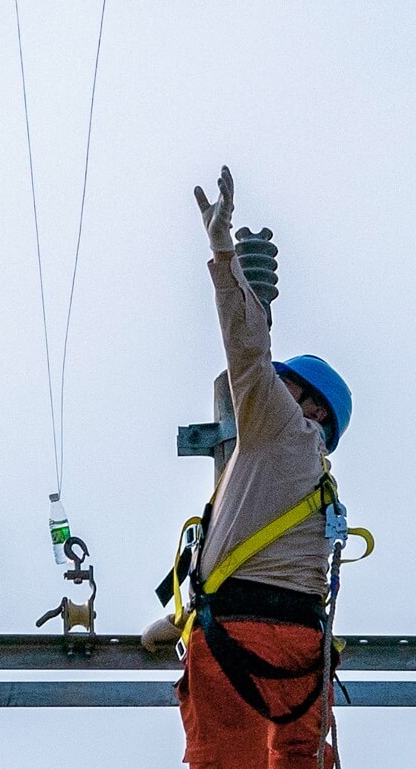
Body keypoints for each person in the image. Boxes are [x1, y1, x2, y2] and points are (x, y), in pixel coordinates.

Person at [143, 166, 356, 769]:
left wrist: (221, 252)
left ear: (301, 397)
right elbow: (256, 558)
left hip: (239, 633)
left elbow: (246, 345)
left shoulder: (276, 422)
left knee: (223, 762)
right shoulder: (316, 480)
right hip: (300, 650)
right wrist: (178, 622)